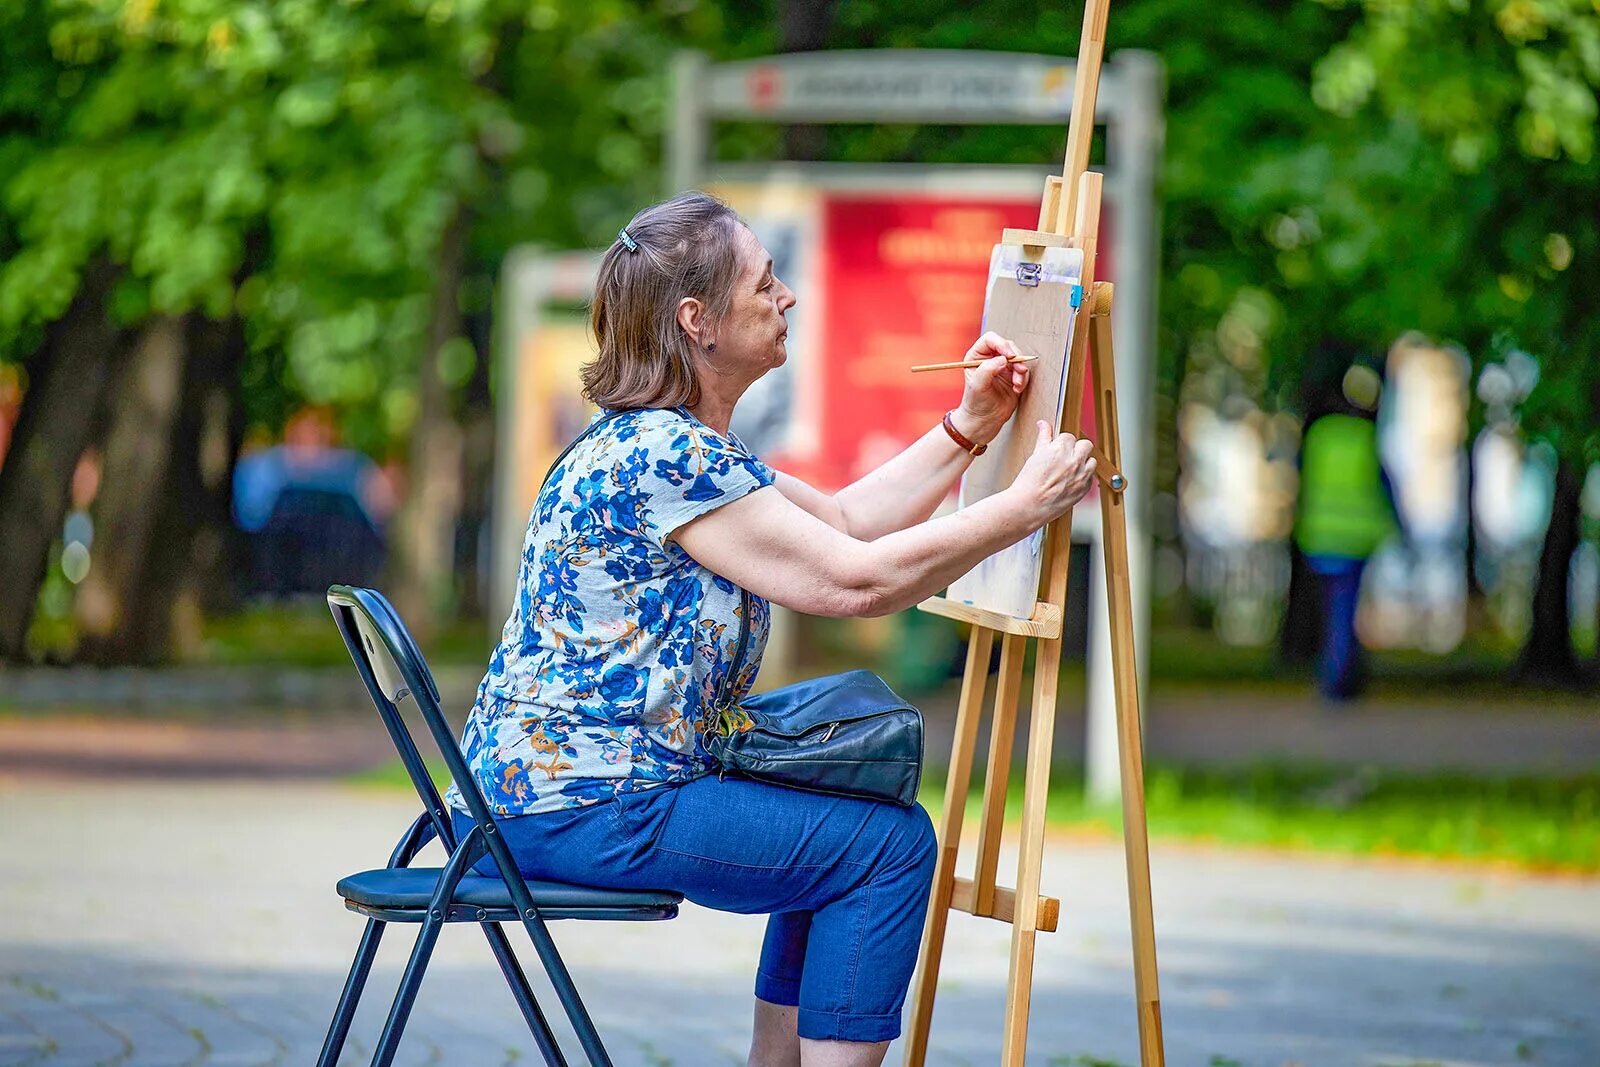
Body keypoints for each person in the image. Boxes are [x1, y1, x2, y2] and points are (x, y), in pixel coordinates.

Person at [447, 192, 1097, 1067]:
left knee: (842, 809)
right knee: (887, 846)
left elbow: (845, 522)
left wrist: (971, 426)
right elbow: (856, 581)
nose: (787, 296)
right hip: (586, 804)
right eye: (765, 284)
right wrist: (1022, 509)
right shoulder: (663, 456)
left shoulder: (659, 443)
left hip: (541, 795)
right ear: (697, 321)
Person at [1293, 358, 1399, 701]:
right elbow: (1385, 488)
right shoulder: (1366, 438)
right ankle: (1337, 681)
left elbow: (1301, 481)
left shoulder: (1319, 435)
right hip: (1353, 541)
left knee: (1331, 611)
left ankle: (1337, 672)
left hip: (1319, 538)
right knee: (1343, 612)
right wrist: (1398, 527)